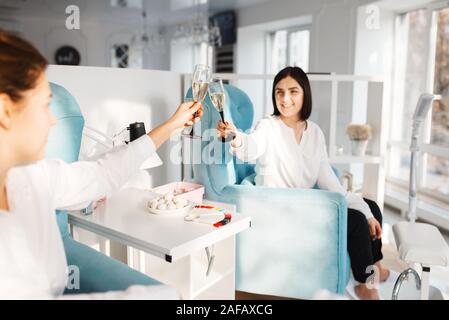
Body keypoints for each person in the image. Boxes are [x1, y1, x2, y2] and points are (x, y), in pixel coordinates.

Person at [0, 30, 203, 299]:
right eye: (44, 106)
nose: (52, 121)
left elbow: (103, 174)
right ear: (5, 110)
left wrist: (171, 126)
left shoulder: (33, 176)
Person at [217, 66, 390, 300]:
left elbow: (329, 180)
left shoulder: (315, 132)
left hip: (311, 206)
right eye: (279, 92)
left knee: (371, 207)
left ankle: (375, 267)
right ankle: (365, 285)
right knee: (358, 220)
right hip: (285, 211)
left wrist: (367, 211)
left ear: (305, 94)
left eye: (293, 92)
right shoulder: (268, 126)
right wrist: (235, 138)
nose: (285, 99)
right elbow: (251, 147)